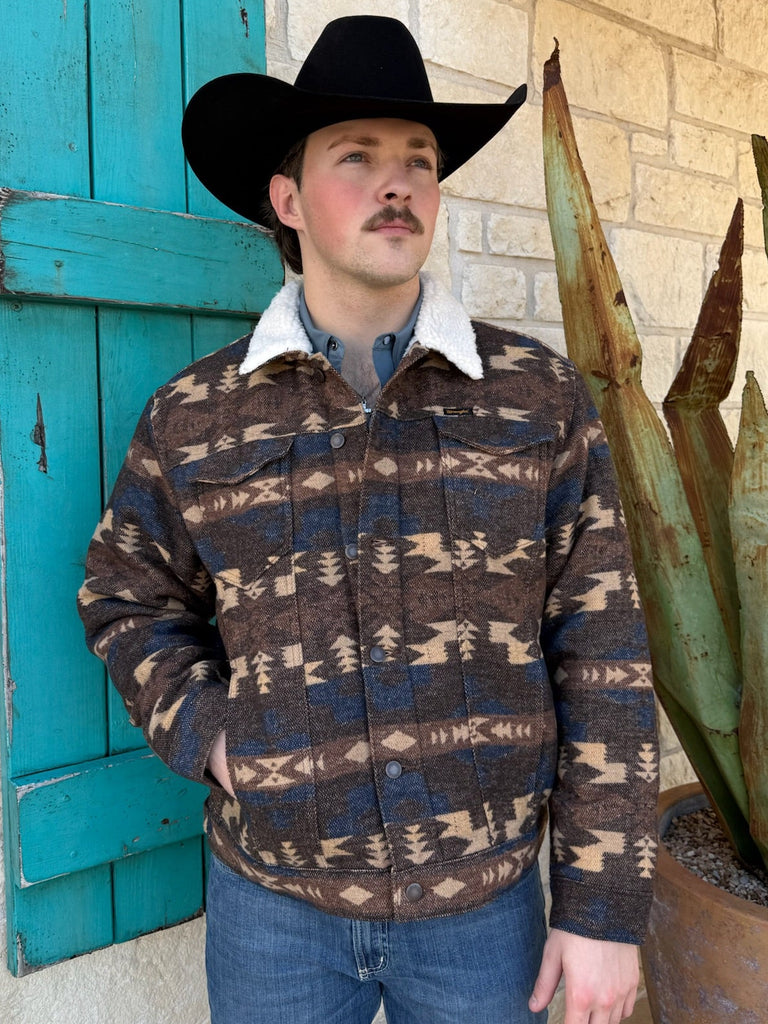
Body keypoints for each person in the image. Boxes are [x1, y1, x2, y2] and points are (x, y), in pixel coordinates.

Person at [78, 16, 658, 1024]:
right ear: (288, 198)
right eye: (359, 159)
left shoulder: (537, 399)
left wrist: (604, 908)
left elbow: (602, 650)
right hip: (276, 911)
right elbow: (126, 597)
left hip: (487, 913)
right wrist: (215, 735)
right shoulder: (196, 417)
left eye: (419, 162)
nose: (398, 184)